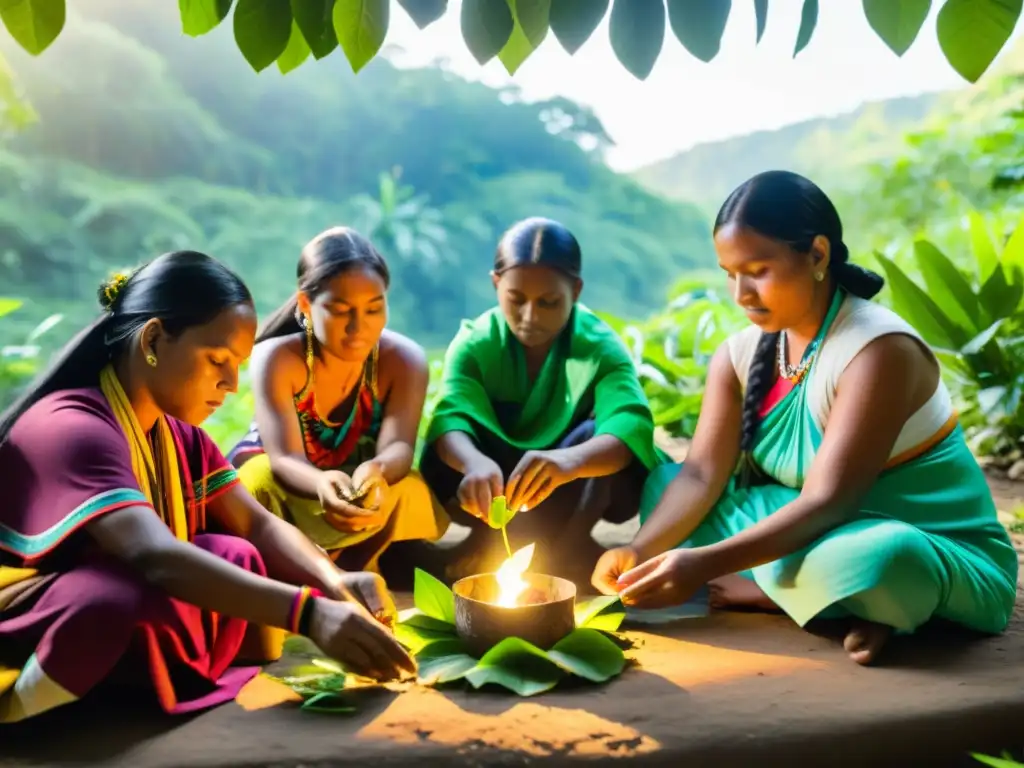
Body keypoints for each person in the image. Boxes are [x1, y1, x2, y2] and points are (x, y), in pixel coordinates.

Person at [591, 170, 1019, 665]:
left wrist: (701, 564)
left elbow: (828, 501)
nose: (741, 294)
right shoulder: (740, 356)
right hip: (808, 528)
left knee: (884, 562)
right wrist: (640, 552)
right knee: (665, 486)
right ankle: (831, 604)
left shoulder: (877, 349)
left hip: (916, 541)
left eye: (757, 270)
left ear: (817, 254)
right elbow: (702, 473)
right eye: (729, 273)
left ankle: (785, 593)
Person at [0, 252, 415, 724]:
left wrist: (333, 583)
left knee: (234, 553)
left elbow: (255, 523)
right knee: (108, 600)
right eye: (218, 360)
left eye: (238, 364)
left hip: (123, 598)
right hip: (33, 614)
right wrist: (308, 614)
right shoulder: (71, 427)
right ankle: (27, 711)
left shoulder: (178, 435)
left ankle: (125, 682)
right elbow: (153, 556)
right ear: (154, 338)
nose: (232, 383)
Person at [420, 217, 666, 582]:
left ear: (576, 291)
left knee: (594, 436)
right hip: (493, 488)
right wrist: (473, 462)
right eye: (515, 300)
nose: (530, 317)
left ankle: (564, 548)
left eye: (549, 302)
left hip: (567, 489)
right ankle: (492, 541)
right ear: (495, 283)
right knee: (449, 451)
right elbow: (449, 418)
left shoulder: (600, 347)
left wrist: (570, 460)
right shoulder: (474, 344)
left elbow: (629, 425)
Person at [227, 227, 448, 574]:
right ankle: (298, 568)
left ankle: (360, 566)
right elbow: (284, 459)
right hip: (289, 486)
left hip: (359, 485)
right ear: (305, 304)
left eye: (373, 309)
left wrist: (376, 471)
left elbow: (399, 448)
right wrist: (321, 483)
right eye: (340, 310)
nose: (358, 327)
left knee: (410, 488)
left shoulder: (403, 359)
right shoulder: (278, 359)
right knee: (257, 478)